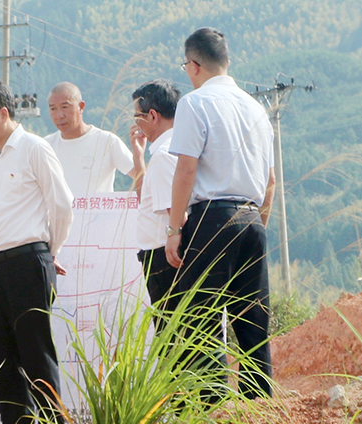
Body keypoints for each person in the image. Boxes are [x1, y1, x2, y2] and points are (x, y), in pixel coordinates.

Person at [164, 28, 276, 400]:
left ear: (194, 65)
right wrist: (257, 225)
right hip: (252, 219)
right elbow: (271, 181)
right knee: (253, 319)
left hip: (212, 218)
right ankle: (259, 406)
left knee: (202, 319)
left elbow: (186, 170)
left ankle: (211, 408)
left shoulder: (194, 103)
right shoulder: (257, 108)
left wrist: (174, 229)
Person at [0, 78, 73, 424]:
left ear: (3, 113)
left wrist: (49, 251)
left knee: (36, 356)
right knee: (3, 362)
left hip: (27, 262)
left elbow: (62, 204)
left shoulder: (33, 148)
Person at [129, 80, 181, 331]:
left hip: (165, 257)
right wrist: (138, 157)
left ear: (152, 115)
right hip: (162, 254)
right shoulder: (176, 149)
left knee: (170, 334)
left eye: (137, 116)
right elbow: (148, 200)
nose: (136, 124)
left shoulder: (163, 155)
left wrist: (173, 235)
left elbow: (176, 212)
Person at [45, 82, 136, 193]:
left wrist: (139, 154)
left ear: (81, 106)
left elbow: (141, 177)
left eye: (65, 107)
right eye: (53, 109)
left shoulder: (107, 141)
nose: (59, 115)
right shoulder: (45, 146)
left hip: (98, 205)